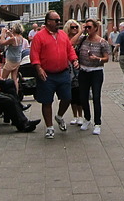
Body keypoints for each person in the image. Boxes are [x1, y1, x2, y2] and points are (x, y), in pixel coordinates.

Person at [31, 11, 78, 139]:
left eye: (59, 20)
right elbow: (34, 54)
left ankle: (59, 116)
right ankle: (49, 127)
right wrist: (38, 68)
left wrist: (74, 60)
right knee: (47, 101)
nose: (59, 22)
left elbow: (70, 50)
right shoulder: (39, 36)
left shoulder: (62, 35)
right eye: (56, 20)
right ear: (48, 21)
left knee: (67, 97)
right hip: (47, 74)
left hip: (62, 72)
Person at [74, 18, 110, 135]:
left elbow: (106, 58)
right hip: (84, 71)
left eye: (89, 27)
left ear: (95, 28)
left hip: (96, 72)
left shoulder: (102, 42)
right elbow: (71, 43)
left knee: (96, 97)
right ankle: (87, 118)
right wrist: (81, 31)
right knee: (83, 97)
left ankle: (97, 123)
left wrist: (97, 59)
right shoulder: (83, 39)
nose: (87, 29)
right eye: (86, 27)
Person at [62, 19, 84, 125]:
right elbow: (71, 43)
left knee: (79, 91)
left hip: (79, 66)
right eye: (72, 27)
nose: (75, 29)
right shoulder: (65, 39)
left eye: (76, 27)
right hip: (69, 67)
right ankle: (74, 115)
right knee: (71, 92)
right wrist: (80, 31)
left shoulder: (82, 39)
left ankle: (81, 115)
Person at [0, 23, 26, 94]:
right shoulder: (20, 38)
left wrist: (3, 33)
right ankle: (16, 94)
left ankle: (3, 92)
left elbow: (2, 43)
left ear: (14, 29)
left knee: (3, 78)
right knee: (14, 78)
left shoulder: (13, 39)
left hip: (11, 60)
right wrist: (9, 34)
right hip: (17, 59)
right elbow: (14, 41)